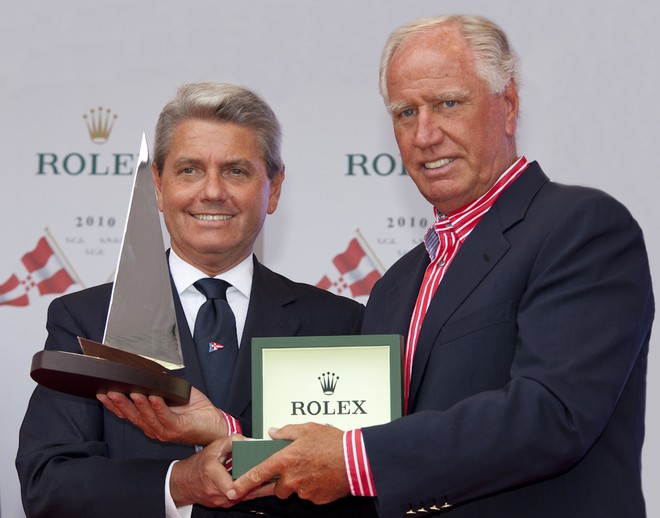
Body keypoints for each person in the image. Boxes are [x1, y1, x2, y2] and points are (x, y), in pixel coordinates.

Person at [228, 15, 655, 517]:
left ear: (509, 106)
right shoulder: (395, 287)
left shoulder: (581, 227)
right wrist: (227, 435)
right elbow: (359, 441)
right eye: (405, 112)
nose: (425, 134)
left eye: (448, 104)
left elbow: (552, 414)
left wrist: (352, 458)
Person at [16, 82, 376, 517]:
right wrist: (180, 483)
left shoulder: (340, 323)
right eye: (189, 170)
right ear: (158, 185)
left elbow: (365, 486)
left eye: (236, 171)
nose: (212, 191)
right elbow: (48, 484)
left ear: (274, 187)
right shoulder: (90, 320)